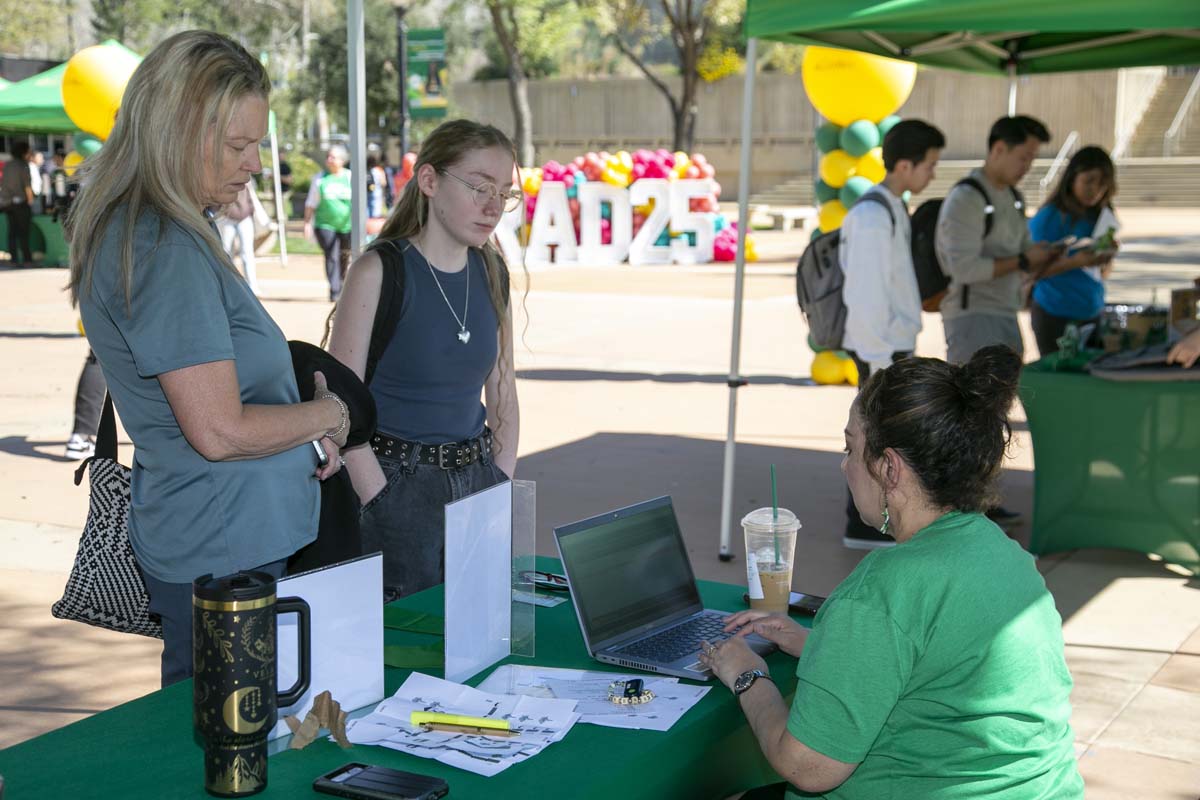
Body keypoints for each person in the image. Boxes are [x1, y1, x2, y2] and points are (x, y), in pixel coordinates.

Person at [66, 30, 352, 687]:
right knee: (232, 757)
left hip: (224, 542)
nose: (254, 163)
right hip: (224, 552)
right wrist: (327, 416)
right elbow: (219, 431)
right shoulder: (161, 245)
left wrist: (298, 434)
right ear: (176, 131)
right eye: (238, 145)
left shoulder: (157, 229)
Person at [699, 346, 1083, 799]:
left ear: (889, 467)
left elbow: (809, 767)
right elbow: (933, 660)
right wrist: (819, 645)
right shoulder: (1001, 550)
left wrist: (747, 674)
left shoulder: (882, 590)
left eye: (851, 447)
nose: (844, 465)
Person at [326, 118, 522, 602]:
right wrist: (381, 497)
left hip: (477, 480)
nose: (493, 206)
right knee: (402, 650)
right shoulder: (378, 270)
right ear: (430, 181)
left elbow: (504, 391)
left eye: (504, 193)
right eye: (479, 187)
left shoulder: (492, 271)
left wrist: (499, 480)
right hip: (396, 482)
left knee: (474, 642)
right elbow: (337, 403)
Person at [936, 115, 1061, 524]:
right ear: (998, 149)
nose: (1027, 166)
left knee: (992, 414)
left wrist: (1055, 256)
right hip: (973, 317)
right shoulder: (967, 198)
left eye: (1032, 158)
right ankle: (962, 504)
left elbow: (1023, 256)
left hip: (1004, 315)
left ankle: (980, 499)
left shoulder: (1014, 198)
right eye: (1023, 156)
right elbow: (964, 267)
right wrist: (1026, 259)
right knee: (971, 412)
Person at [839, 118, 945, 549]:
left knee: (884, 441)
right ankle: (861, 525)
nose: (932, 174)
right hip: (878, 352)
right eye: (930, 165)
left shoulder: (890, 208)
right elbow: (864, 295)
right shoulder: (871, 215)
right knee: (871, 441)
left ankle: (877, 522)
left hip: (890, 350)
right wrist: (881, 364)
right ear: (904, 165)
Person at [1027, 146, 1119, 357]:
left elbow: (1102, 274)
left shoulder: (1102, 216)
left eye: (1103, 184)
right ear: (1072, 178)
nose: (1095, 190)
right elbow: (1030, 271)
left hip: (1092, 311)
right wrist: (1075, 261)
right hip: (1054, 314)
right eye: (1089, 181)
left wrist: (1107, 256)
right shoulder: (1050, 216)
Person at [304, 144, 353, 301]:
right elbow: (311, 202)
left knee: (345, 255)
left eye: (334, 157)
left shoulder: (350, 177)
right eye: (328, 156)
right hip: (325, 224)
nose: (329, 160)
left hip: (347, 225)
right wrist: (306, 223)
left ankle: (343, 284)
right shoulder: (320, 178)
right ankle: (334, 290)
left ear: (342, 160)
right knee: (332, 255)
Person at [217, 182, 264, 294]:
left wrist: (250, 211)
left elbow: (251, 196)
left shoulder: (246, 177)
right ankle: (228, 285)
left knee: (247, 253)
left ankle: (252, 286)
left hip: (244, 217)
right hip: (227, 217)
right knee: (227, 253)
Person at [2, 142, 35, 267]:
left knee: (12, 233)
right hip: (21, 203)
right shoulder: (23, 165)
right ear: (24, 152)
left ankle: (13, 260)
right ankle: (27, 260)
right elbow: (27, 186)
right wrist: (31, 200)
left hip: (7, 203)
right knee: (23, 233)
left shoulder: (7, 165)